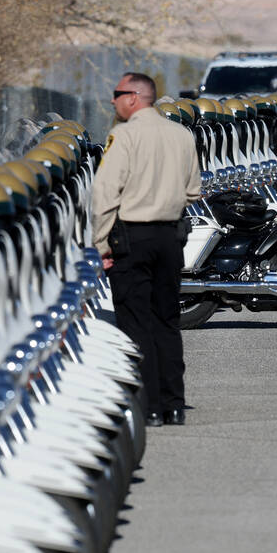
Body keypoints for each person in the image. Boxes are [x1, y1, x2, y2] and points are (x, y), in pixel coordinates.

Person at [91, 72, 201, 426]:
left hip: (131, 238)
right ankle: (173, 403)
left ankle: (147, 405)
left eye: (117, 94)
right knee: (166, 321)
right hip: (170, 237)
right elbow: (193, 191)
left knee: (135, 322)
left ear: (135, 97)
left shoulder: (123, 136)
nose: (113, 101)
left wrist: (99, 244)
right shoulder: (181, 134)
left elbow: (105, 195)